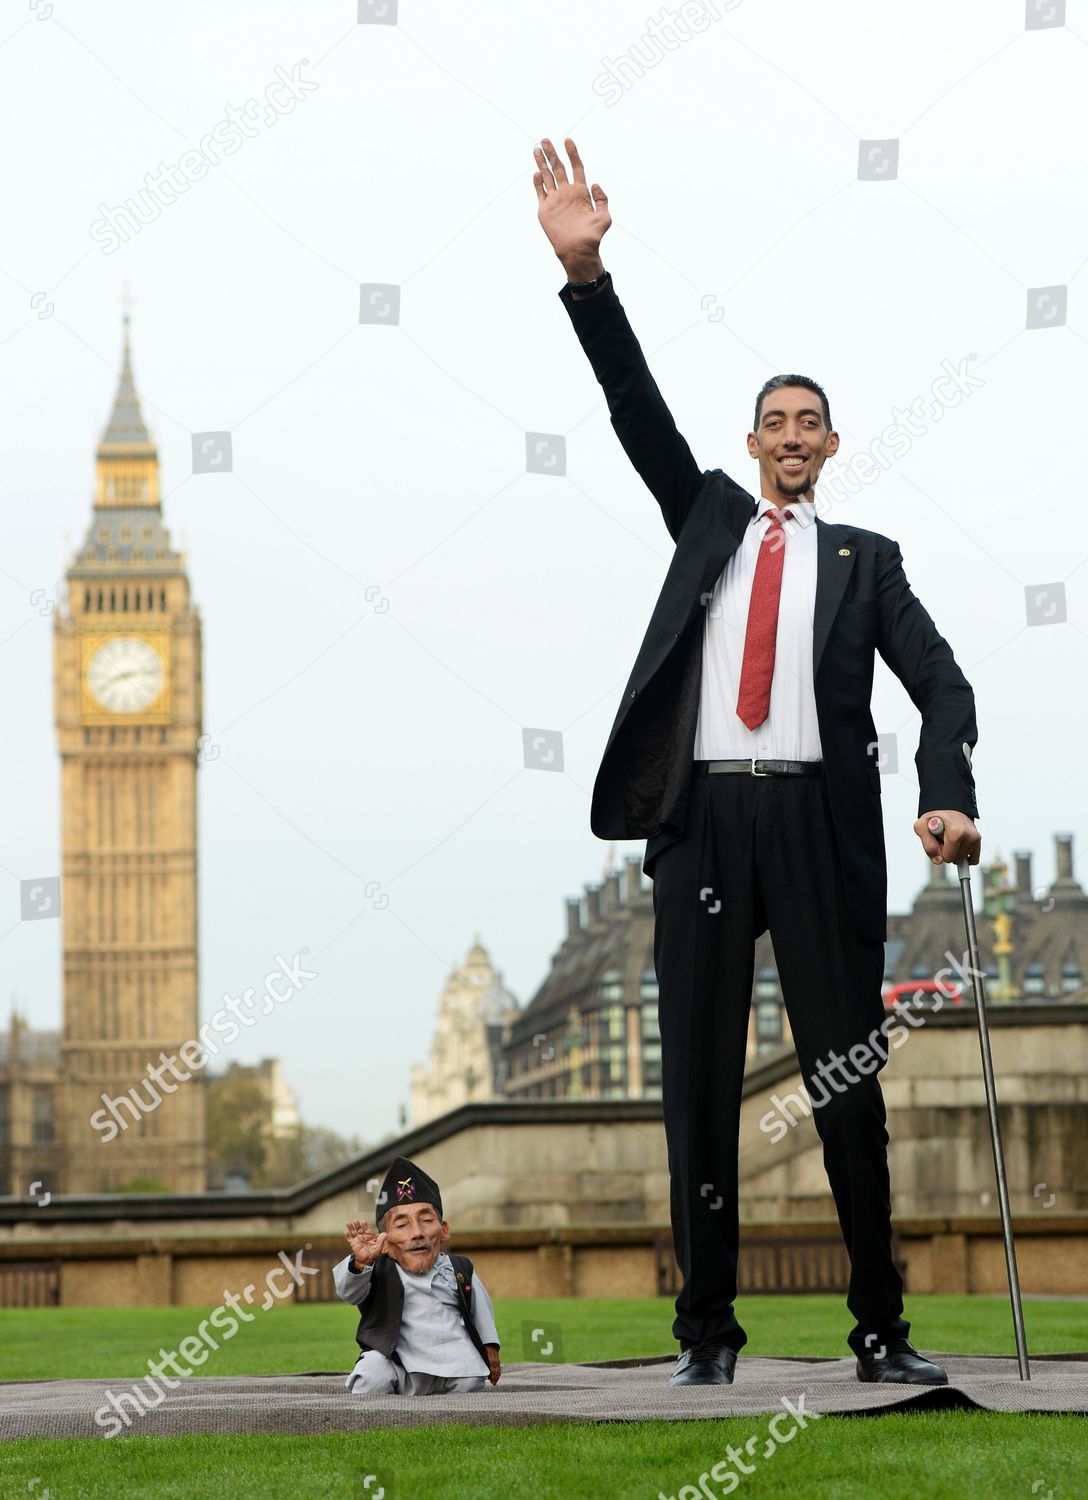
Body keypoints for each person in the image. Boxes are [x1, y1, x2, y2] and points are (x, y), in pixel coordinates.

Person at [532, 136, 981, 1387]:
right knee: (697, 1093)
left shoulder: (865, 562)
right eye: (772, 422)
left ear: (831, 448)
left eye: (808, 425)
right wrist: (585, 275)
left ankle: (880, 1332)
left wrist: (944, 791)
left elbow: (942, 685)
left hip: (816, 830)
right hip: (705, 829)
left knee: (849, 1089)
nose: (790, 437)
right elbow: (634, 408)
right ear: (751, 443)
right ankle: (706, 1338)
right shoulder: (709, 521)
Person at [333, 1155, 501, 1395]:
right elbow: (349, 1293)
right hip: (397, 1359)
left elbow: (481, 1312)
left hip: (452, 1358)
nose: (417, 1233)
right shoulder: (376, 1268)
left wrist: (490, 1348)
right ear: (385, 1240)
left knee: (471, 1381)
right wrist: (361, 1262)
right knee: (371, 1378)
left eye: (426, 1220)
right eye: (402, 1226)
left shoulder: (461, 1269)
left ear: (444, 1231)